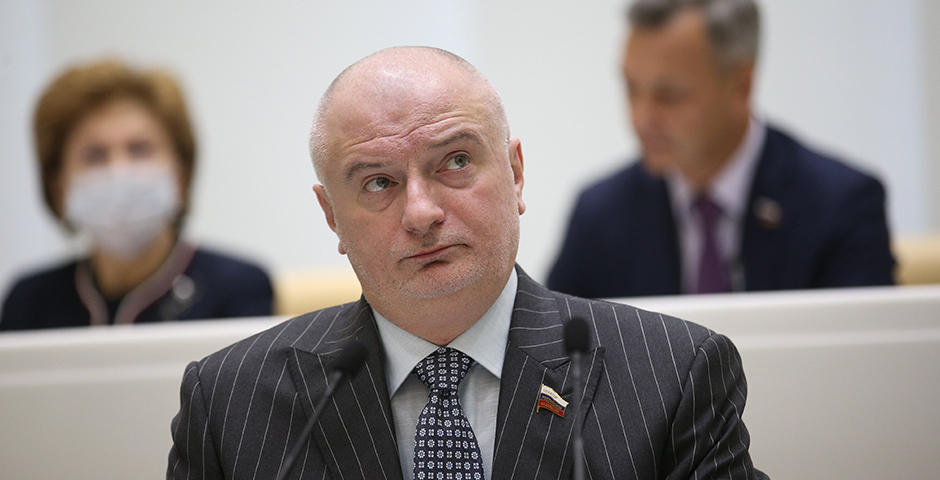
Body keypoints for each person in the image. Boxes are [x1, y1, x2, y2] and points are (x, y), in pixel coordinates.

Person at [167, 47, 767, 480]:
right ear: (332, 217)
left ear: (516, 174)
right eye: (378, 182)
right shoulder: (229, 405)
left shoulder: (673, 375)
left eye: (454, 161)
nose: (421, 212)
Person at [548, 0, 895, 298]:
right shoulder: (600, 216)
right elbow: (552, 346)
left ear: (741, 85)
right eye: (631, 88)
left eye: (669, 95)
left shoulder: (841, 206)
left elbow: (866, 351)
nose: (641, 118)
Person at [0, 60, 273, 331]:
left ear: (181, 173)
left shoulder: (236, 288)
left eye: (140, 149)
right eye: (95, 155)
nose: (119, 171)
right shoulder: (29, 302)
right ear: (58, 184)